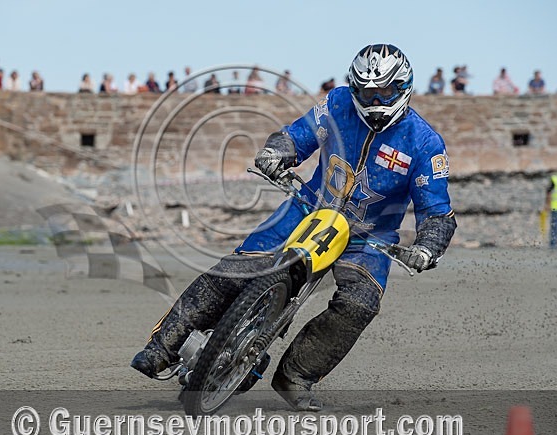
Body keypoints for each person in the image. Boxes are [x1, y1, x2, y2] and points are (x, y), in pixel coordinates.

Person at [131, 44, 456, 411]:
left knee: (359, 303)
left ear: (402, 88)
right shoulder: (336, 104)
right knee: (237, 267)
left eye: (383, 92)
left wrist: (427, 247)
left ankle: (296, 376)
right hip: (307, 207)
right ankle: (162, 347)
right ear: (354, 87)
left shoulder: (426, 143)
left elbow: (437, 212)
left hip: (368, 238)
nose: (374, 99)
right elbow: (297, 135)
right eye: (366, 91)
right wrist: (276, 153)